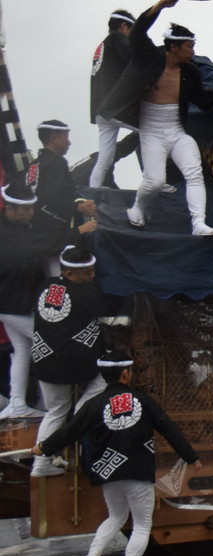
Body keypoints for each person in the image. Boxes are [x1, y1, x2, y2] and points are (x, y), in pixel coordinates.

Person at [32, 349, 203, 556]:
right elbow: (168, 428)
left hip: (109, 472)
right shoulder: (143, 401)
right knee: (142, 525)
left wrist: (43, 447)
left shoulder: (94, 404)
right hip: (137, 470)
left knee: (116, 516)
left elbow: (70, 431)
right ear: (125, 373)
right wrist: (191, 457)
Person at [98, 0, 213, 235]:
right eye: (189, 46)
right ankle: (137, 208)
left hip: (177, 131)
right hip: (151, 131)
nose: (193, 51)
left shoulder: (190, 72)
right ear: (174, 46)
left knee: (194, 174)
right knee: (154, 181)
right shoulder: (149, 58)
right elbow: (138, 31)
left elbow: (201, 99)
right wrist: (160, 6)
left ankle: (198, 223)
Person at [1, 180, 95, 421]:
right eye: (26, 210)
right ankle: (49, 403)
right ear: (9, 208)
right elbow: (37, 246)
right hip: (10, 303)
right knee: (47, 342)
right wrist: (78, 231)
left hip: (13, 302)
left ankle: (18, 403)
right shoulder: (6, 233)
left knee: (23, 350)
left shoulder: (20, 226)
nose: (31, 214)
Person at [30, 246, 107, 477]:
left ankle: (41, 465)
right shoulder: (84, 292)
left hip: (45, 359)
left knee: (55, 410)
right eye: (87, 272)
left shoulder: (46, 286)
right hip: (75, 360)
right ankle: (81, 413)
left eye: (93, 270)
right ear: (70, 273)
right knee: (106, 378)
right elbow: (101, 311)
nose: (92, 275)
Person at [28, 121, 96, 258]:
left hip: (36, 229)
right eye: (66, 137)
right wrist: (79, 207)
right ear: (54, 138)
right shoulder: (56, 162)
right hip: (53, 232)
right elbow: (52, 195)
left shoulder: (33, 165)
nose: (69, 142)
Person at [89, 8, 137, 189]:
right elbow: (135, 60)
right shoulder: (117, 38)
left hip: (101, 112)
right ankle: (156, 180)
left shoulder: (101, 46)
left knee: (104, 159)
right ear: (124, 26)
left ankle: (92, 192)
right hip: (115, 108)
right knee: (153, 131)